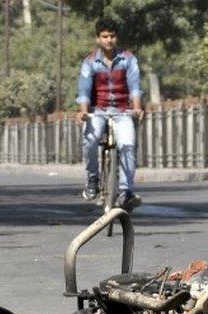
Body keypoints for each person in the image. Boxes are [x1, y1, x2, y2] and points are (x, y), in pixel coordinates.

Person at [75, 17, 143, 209]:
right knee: (90, 140)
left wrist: (137, 109)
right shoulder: (90, 62)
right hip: (98, 111)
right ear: (98, 39)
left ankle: (126, 190)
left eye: (112, 36)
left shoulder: (128, 59)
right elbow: (84, 91)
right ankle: (93, 180)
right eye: (105, 36)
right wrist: (83, 112)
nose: (109, 40)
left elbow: (135, 87)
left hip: (123, 111)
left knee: (127, 144)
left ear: (117, 38)